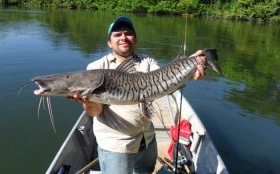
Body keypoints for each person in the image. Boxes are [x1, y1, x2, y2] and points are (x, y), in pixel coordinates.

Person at [71, 16, 206, 174]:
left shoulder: (147, 62)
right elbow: (95, 112)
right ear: (109, 42)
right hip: (117, 147)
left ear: (135, 39)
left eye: (128, 33)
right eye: (117, 34)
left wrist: (189, 67)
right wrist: (87, 102)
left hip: (147, 141)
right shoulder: (96, 68)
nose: (123, 37)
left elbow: (166, 79)